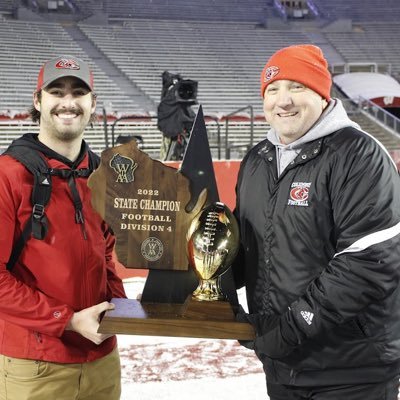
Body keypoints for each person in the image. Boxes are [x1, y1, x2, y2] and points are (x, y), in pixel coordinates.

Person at [233, 44, 400, 400]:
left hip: (352, 370)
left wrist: (290, 328)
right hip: (281, 364)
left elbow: (370, 260)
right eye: (272, 89)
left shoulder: (359, 155)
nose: (283, 101)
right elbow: (249, 242)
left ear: (322, 94)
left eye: (297, 86)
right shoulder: (258, 159)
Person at [0, 55, 126, 400]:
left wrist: (121, 310)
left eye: (79, 92)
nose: (68, 102)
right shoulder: (8, 175)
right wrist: (66, 320)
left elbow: (106, 253)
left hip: (102, 359)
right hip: (36, 363)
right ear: (38, 101)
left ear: (92, 104)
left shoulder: (104, 175)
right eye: (56, 91)